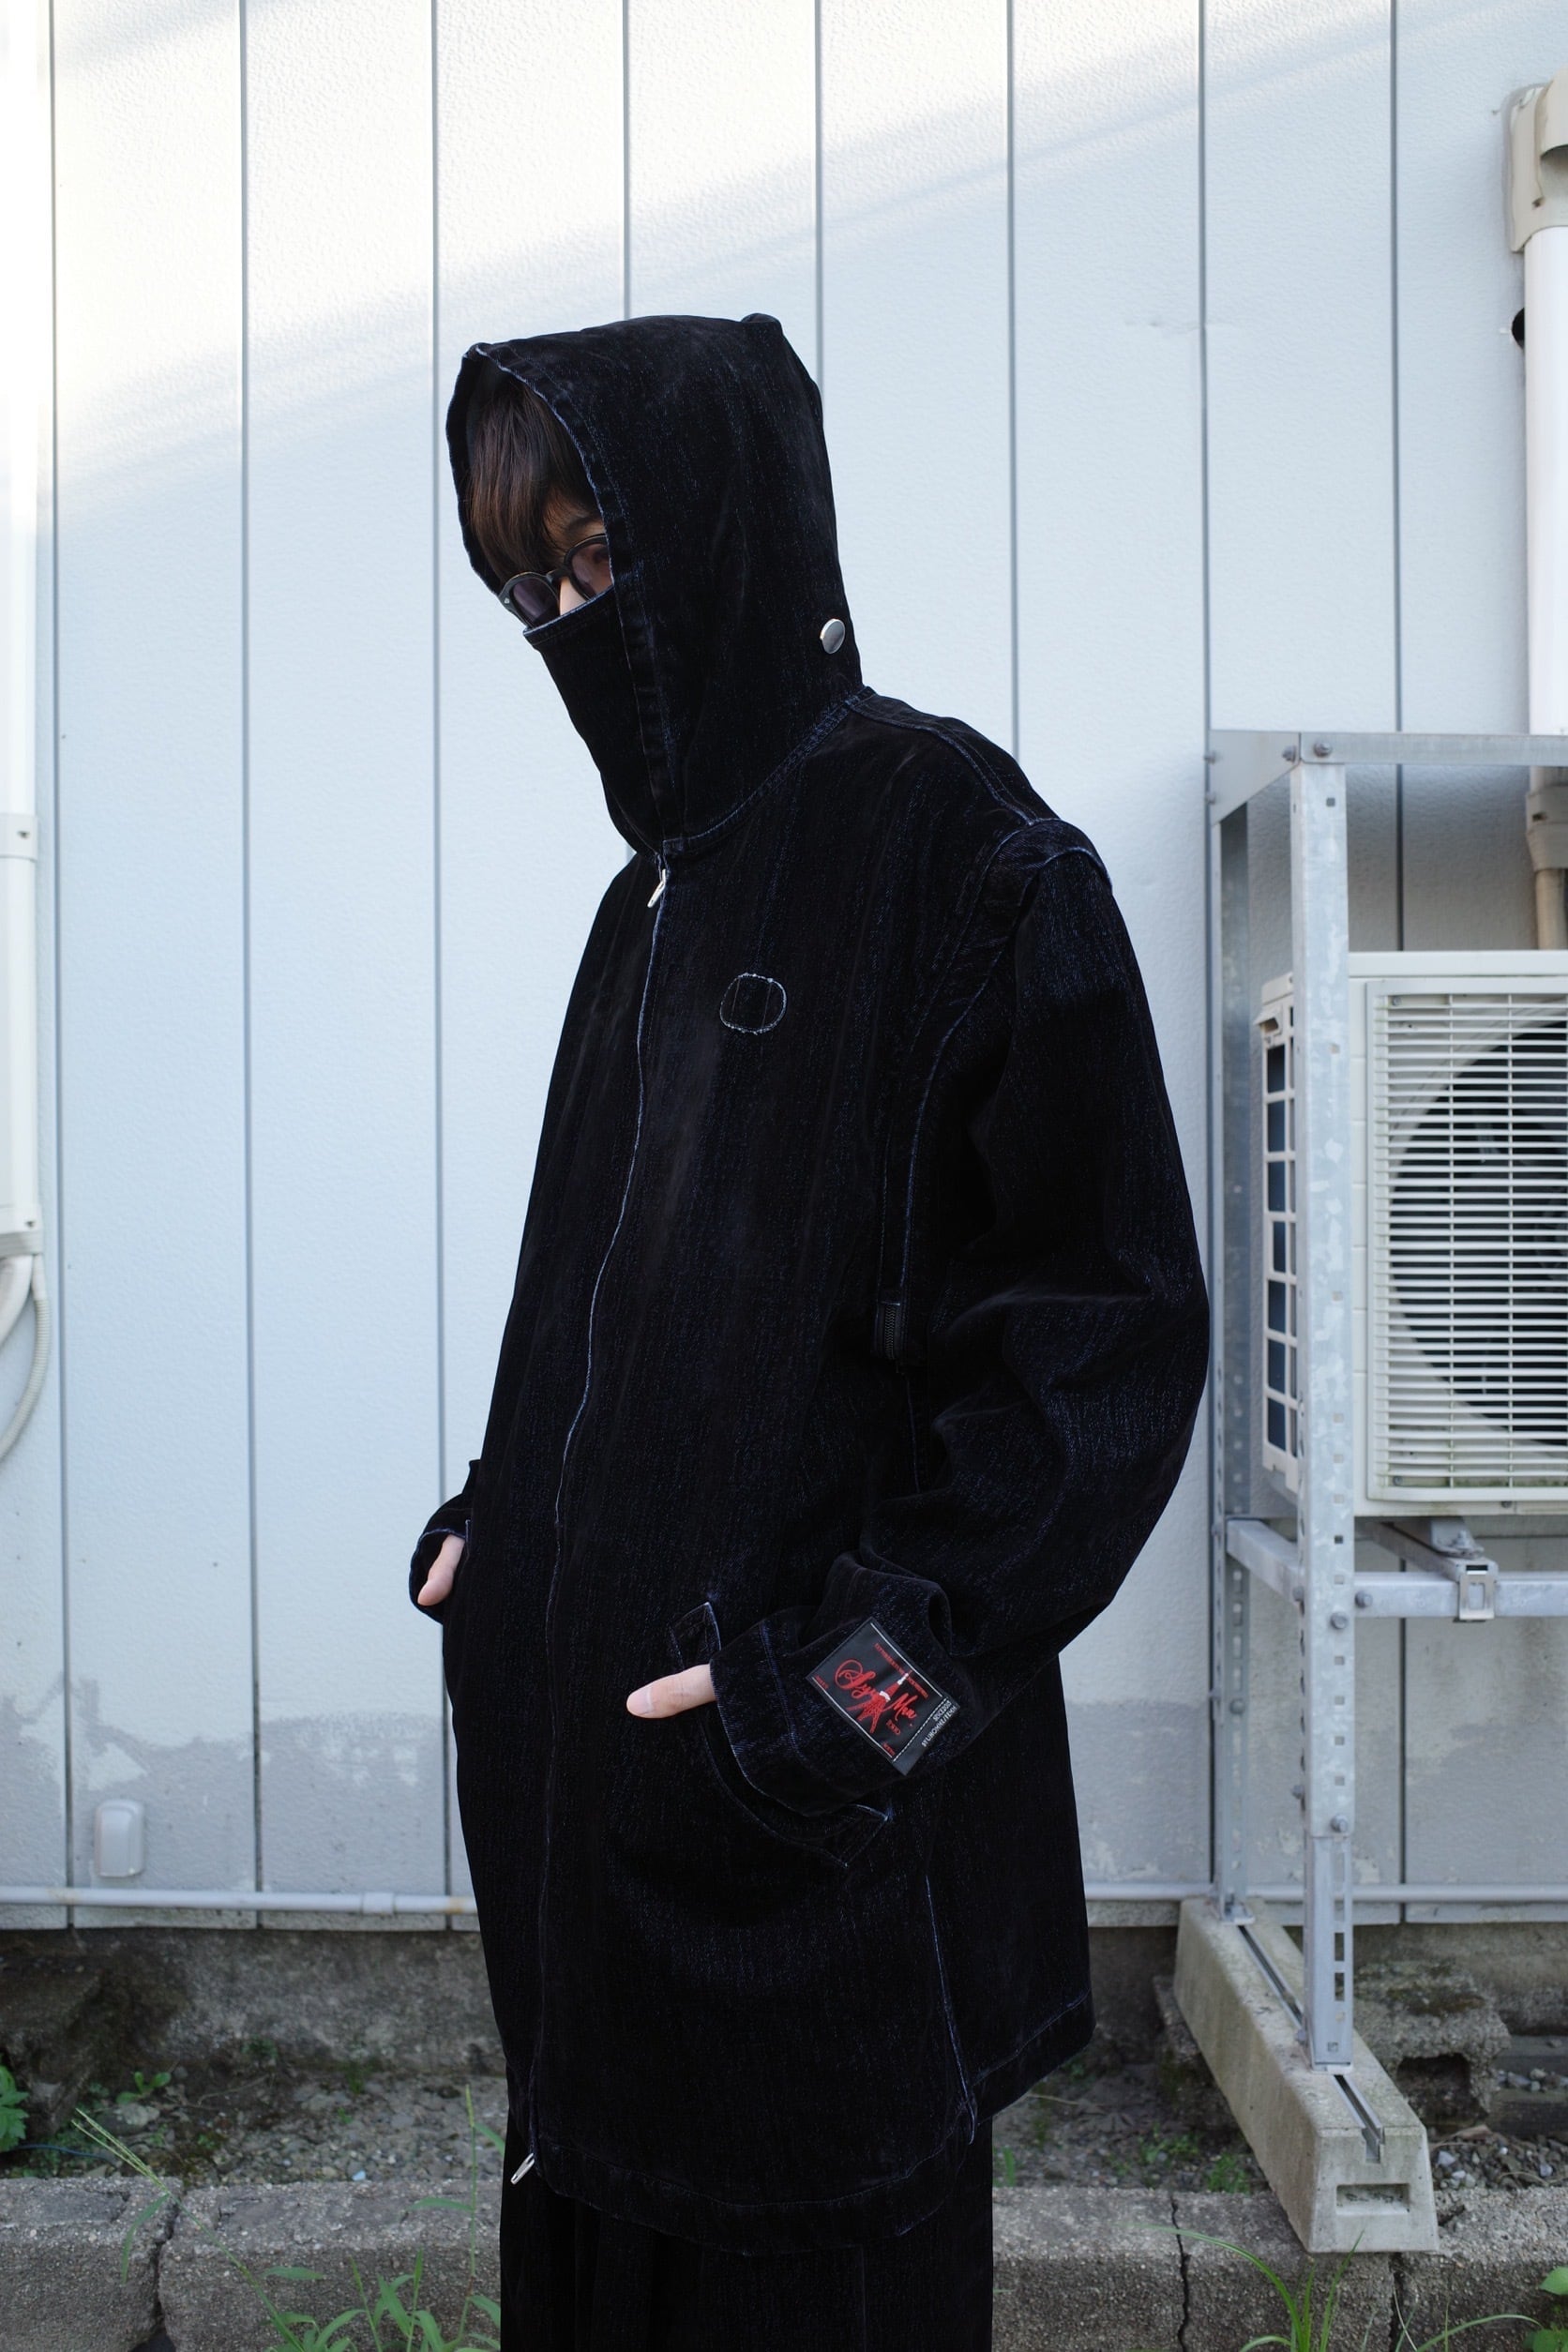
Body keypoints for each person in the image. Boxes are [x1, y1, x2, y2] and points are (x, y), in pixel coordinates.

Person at [409, 312, 1209, 2350]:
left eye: (598, 561)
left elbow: (1104, 1346)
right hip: (593, 1873)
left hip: (809, 1876)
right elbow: (622, 1304)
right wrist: (505, 1527)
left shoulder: (959, 850)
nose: (569, 627)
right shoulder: (648, 904)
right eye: (529, 592)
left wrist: (843, 1699)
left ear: (729, 527)